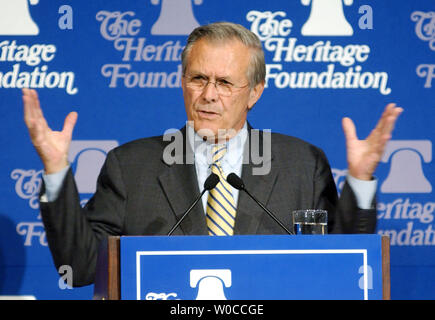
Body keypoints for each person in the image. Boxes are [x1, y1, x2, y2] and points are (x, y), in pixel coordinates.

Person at [22, 22, 402, 286]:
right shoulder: (131, 166)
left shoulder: (302, 164)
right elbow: (82, 266)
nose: (208, 95)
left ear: (255, 92)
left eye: (224, 82)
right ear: (181, 81)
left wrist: (361, 181)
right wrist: (56, 169)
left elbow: (346, 267)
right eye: (198, 78)